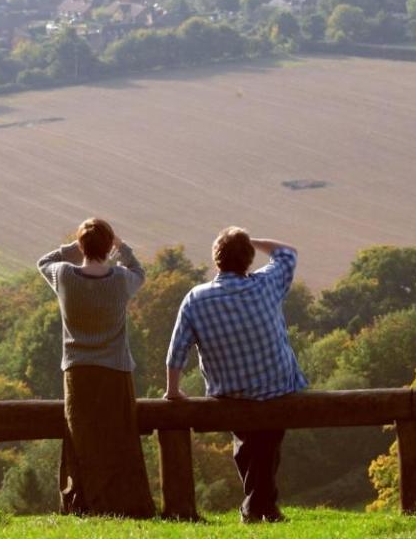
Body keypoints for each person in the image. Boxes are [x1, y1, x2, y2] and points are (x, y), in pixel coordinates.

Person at [163, 226, 307, 523]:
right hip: (277, 385)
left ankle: (259, 507)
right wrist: (249, 241)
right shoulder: (266, 283)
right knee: (266, 442)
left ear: (216, 259)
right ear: (249, 259)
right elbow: (287, 252)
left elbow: (177, 349)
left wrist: (172, 390)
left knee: (249, 445)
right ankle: (261, 507)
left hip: (230, 390)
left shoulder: (195, 298)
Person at [37, 218, 155, 519]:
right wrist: (122, 247)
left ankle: (82, 503)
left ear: (81, 245)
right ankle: (125, 502)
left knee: (81, 439)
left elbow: (44, 262)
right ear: (107, 246)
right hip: (115, 370)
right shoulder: (119, 279)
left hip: (78, 372)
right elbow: (140, 272)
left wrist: (74, 249)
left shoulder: (63, 275)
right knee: (120, 436)